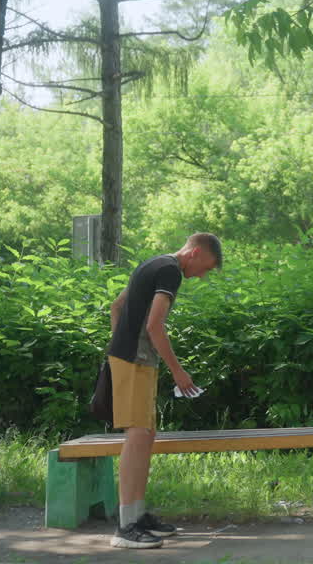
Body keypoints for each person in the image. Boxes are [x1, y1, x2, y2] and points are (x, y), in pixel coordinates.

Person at [105, 232, 222, 549]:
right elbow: (154, 326)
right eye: (205, 268)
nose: (201, 275)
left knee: (145, 435)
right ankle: (126, 527)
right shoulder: (171, 271)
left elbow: (117, 307)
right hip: (135, 360)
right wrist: (178, 371)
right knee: (138, 435)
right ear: (195, 252)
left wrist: (121, 345)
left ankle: (137, 515)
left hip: (132, 358)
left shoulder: (152, 263)